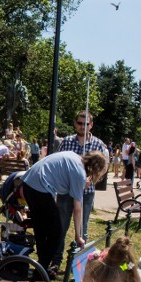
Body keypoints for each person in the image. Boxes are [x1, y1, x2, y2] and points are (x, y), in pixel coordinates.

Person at [22, 151, 108, 279]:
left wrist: (80, 185)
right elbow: (77, 208)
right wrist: (79, 236)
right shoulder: (80, 174)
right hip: (40, 188)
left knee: (42, 231)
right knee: (56, 233)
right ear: (97, 169)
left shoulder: (75, 158)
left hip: (28, 182)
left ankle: (41, 269)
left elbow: (63, 184)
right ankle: (40, 273)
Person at [54, 111, 110, 267]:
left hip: (86, 193)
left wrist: (91, 178)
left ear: (91, 125)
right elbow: (60, 163)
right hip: (65, 192)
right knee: (61, 228)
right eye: (79, 123)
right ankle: (55, 262)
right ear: (75, 123)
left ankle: (79, 266)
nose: (82, 127)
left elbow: (104, 167)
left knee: (82, 229)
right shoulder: (66, 142)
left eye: (86, 124)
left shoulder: (98, 144)